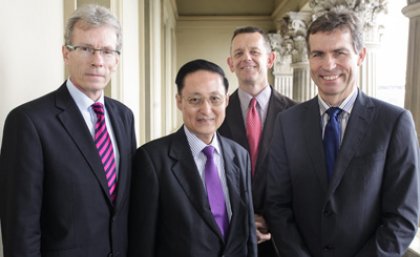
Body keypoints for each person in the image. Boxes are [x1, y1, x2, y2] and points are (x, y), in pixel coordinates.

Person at [265, 9, 420, 257]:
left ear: (361, 55)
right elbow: (277, 205)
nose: (328, 65)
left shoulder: (394, 122)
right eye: (318, 54)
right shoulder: (288, 122)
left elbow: (403, 217)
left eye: (339, 53)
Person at [0, 4, 136, 257]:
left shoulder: (124, 117)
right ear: (66, 53)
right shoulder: (28, 122)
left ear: (116, 60)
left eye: (107, 51)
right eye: (85, 49)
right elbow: (20, 227)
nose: (97, 61)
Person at [128, 59, 257, 257]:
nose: (206, 110)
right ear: (179, 101)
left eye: (215, 99)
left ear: (227, 101)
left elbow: (246, 234)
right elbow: (143, 242)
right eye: (195, 100)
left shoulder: (239, 155)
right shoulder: (152, 160)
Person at [218, 26, 296, 257]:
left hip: (283, 240)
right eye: (239, 53)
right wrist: (241, 220)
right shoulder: (215, 114)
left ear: (271, 59)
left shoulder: (297, 115)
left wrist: (274, 221)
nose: (246, 58)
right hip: (228, 237)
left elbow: (304, 178)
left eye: (254, 51)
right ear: (230, 63)